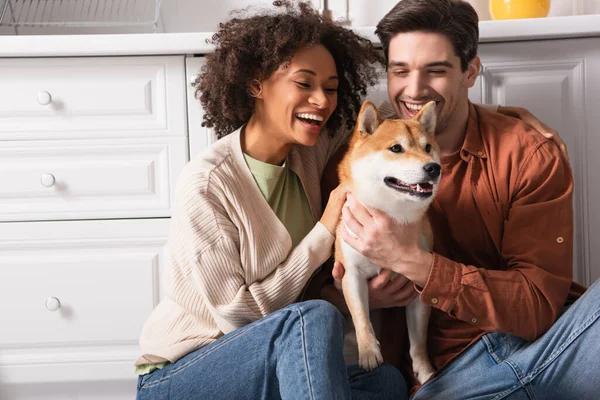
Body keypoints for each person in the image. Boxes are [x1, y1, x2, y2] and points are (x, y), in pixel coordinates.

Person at [134, 1, 407, 399]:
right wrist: (325, 229)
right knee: (314, 318)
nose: (322, 101)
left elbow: (391, 116)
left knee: (387, 383)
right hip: (184, 373)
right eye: (304, 83)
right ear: (256, 83)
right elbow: (238, 318)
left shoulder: (311, 146)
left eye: (331, 89)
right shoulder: (208, 183)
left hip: (272, 368)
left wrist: (507, 111)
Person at [329, 0, 598, 398]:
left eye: (436, 71)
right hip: (445, 375)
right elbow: (325, 283)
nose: (415, 89)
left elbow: (539, 304)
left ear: (471, 71)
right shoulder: (360, 157)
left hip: (540, 348)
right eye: (400, 70)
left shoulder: (527, 155)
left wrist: (414, 262)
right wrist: (358, 293)